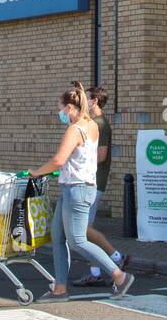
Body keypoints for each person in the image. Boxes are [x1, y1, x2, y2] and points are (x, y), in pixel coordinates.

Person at [29, 80, 135, 300]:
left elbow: (58, 160)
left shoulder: (74, 129)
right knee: (57, 236)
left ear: (69, 108)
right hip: (77, 186)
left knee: (77, 240)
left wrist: (36, 173)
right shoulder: (92, 126)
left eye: (61, 110)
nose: (60, 114)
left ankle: (119, 276)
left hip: (76, 190)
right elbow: (81, 158)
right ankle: (60, 289)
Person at [74, 85, 131, 286]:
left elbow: (101, 155)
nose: (84, 103)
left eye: (87, 99)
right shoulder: (93, 123)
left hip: (93, 182)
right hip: (89, 181)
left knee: (84, 230)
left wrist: (77, 160)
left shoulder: (100, 124)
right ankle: (99, 269)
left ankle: (114, 260)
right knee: (85, 230)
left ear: (94, 101)